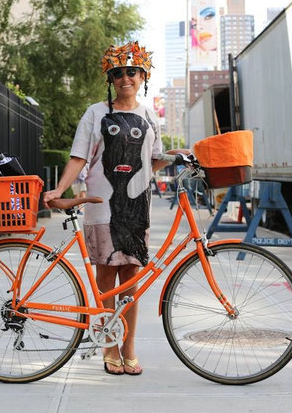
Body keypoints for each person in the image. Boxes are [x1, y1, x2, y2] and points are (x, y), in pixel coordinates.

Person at [43, 41, 188, 376]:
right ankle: (109, 344)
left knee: (131, 279)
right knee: (107, 276)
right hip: (101, 203)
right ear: (111, 78)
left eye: (132, 72)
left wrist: (177, 156)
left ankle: (129, 346)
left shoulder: (150, 115)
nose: (126, 78)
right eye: (118, 73)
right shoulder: (95, 113)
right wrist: (60, 189)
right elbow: (79, 156)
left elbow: (153, 159)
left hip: (138, 204)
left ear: (143, 76)